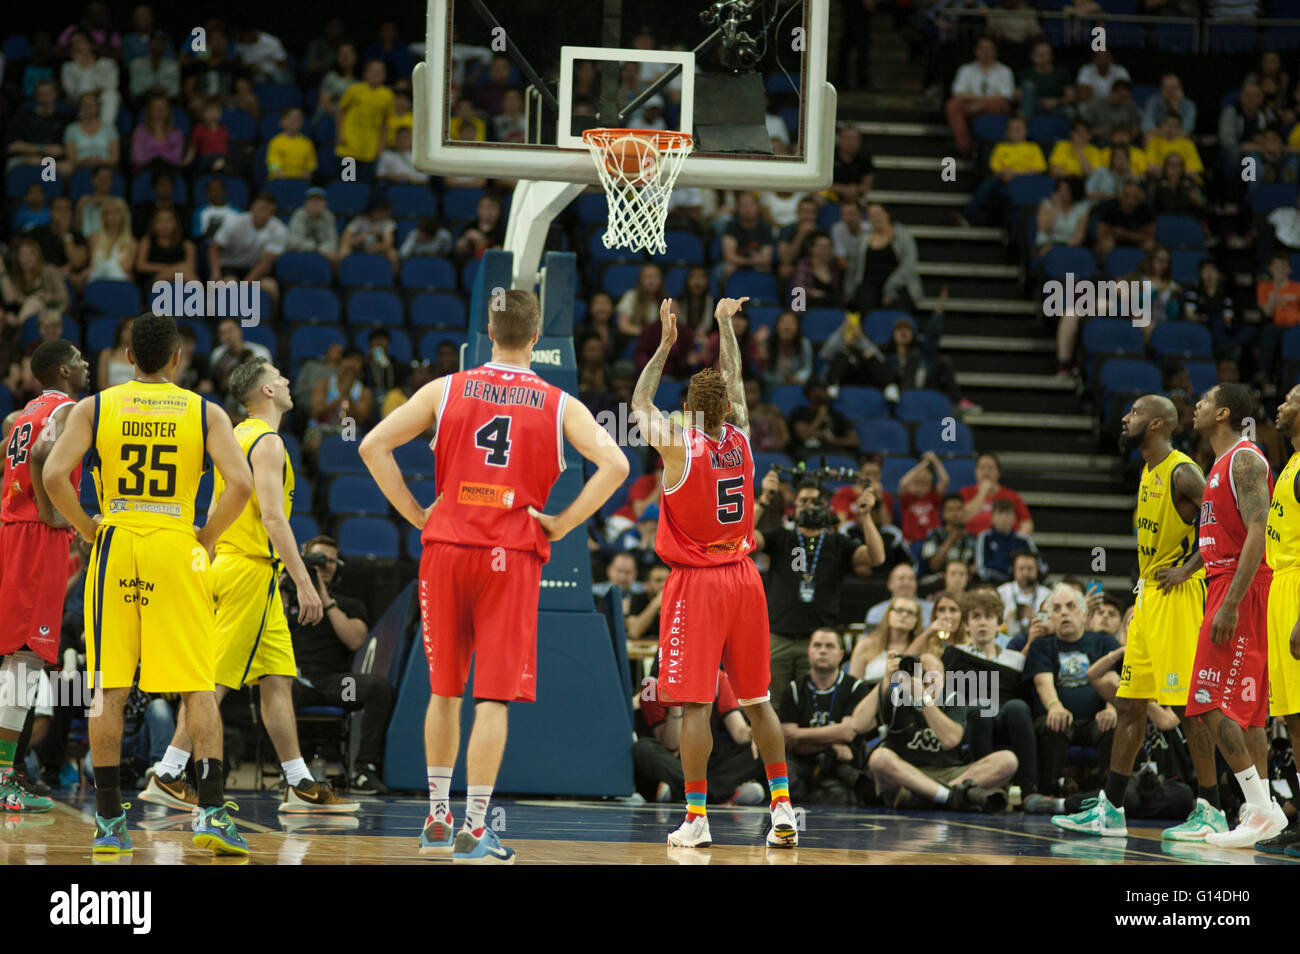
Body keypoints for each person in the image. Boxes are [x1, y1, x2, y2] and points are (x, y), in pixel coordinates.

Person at [359, 290, 627, 863]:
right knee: (494, 700)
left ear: (486, 331)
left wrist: (416, 513)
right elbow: (618, 465)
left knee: (444, 690)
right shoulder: (559, 403)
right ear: (536, 339)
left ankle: (436, 817)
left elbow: (371, 444)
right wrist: (560, 524)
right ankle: (476, 829)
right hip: (510, 554)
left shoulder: (446, 387)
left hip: (446, 549)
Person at [42, 313, 255, 856]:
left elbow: (51, 476)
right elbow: (242, 484)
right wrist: (206, 536)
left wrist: (89, 529)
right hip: (175, 542)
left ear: (129, 358)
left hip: (117, 541)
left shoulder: (96, 406)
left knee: (109, 687)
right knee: (197, 685)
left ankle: (111, 822)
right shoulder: (205, 411)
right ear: (178, 357)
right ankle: (209, 811)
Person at [630, 295, 801, 849]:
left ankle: (697, 817)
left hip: (698, 583)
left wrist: (663, 345)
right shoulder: (743, 440)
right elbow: (734, 376)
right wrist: (726, 325)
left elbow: (637, 403)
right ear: (727, 409)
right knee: (757, 701)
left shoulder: (679, 446)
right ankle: (783, 810)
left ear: (687, 409)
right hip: (745, 577)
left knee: (697, 704)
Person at [151, 359, 357, 812]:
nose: (287, 381)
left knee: (277, 678)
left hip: (237, 566)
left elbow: (215, 511)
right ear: (266, 392)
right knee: (216, 680)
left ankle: (298, 783)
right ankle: (168, 770)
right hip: (247, 570)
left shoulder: (235, 436)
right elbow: (272, 517)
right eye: (279, 377)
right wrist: (304, 581)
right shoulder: (267, 442)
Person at [1051, 394, 1221, 838]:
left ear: (1158, 423)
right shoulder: (1146, 470)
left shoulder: (1183, 471)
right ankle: (1110, 809)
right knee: (1129, 705)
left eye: (1135, 413)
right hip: (1148, 597)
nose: (1125, 418)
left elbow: (1227, 522)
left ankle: (1212, 809)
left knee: (1190, 708)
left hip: (1178, 596)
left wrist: (1188, 568)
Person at [1181, 384, 1288, 846]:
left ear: (1223, 412)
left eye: (1204, 401)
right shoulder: (1218, 465)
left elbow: (1258, 534)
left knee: (1206, 703)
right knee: (1249, 715)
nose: (1197, 406)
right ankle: (1261, 808)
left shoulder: (1245, 459)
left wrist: (1228, 603)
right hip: (1226, 583)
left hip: (1238, 589)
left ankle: (1261, 809)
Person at [0, 340, 89, 811]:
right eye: (79, 360)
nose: (86, 364)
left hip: (12, 531)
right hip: (36, 537)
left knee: (12, 661)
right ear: (63, 369)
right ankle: (2, 780)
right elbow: (39, 457)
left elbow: (9, 455)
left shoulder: (21, 412)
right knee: (25, 664)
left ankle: (5, 774)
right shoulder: (70, 409)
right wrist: (54, 513)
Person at [753, 469, 885, 694]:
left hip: (817, 642)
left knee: (811, 704)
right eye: (803, 500)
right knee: (770, 706)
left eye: (815, 501)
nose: (809, 505)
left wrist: (864, 517)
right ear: (794, 505)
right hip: (777, 638)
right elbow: (742, 536)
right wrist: (764, 499)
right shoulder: (782, 537)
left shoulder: (838, 543)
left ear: (825, 507)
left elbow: (876, 557)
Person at [286, 535, 394, 794]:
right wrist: (292, 581)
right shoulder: (286, 597)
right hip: (294, 678)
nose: (325, 566)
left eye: (332, 561)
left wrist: (325, 598)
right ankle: (291, 772)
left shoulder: (349, 604)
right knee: (275, 691)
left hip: (334, 682)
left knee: (378, 688)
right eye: (319, 559)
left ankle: (363, 769)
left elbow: (356, 640)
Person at [865, 650, 1018, 811]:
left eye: (932, 675)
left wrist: (923, 699)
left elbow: (950, 740)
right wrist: (886, 679)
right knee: (879, 758)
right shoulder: (897, 695)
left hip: (950, 773)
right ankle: (949, 797)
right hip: (908, 773)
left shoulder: (954, 699)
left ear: (943, 679)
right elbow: (858, 724)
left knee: (1007, 760)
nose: (926, 679)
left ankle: (931, 797)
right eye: (921, 673)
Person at [945, 589, 1052, 810]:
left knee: (1017, 707)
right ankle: (983, 786)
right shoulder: (954, 654)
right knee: (980, 707)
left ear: (998, 624)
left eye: (989, 617)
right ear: (966, 625)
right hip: (970, 722)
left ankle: (1029, 790)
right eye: (976, 617)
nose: (982, 623)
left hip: (1007, 719)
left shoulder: (1015, 659)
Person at [1025, 584, 1120, 802]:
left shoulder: (1105, 642)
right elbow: (1042, 682)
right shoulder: (1042, 645)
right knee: (1052, 724)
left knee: (1115, 725)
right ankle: (1051, 794)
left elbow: (1117, 680)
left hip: (1097, 720)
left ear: (1084, 613)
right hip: (1060, 718)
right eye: (1056, 609)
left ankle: (1110, 795)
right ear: (1051, 617)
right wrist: (1054, 705)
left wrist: (1111, 707)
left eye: (1070, 606)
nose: (1064, 612)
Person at [1257, 385, 1300, 852]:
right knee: (1293, 716)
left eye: (1290, 401)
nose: (1280, 407)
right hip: (1282, 588)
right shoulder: (1288, 463)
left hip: (1298, 590)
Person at [635, 667, 765, 806]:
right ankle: (719, 794)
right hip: (677, 764)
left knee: (765, 746)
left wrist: (756, 735)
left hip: (710, 764)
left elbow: (739, 731)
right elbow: (672, 745)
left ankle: (686, 792)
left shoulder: (718, 678)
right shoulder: (651, 686)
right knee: (643, 748)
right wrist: (675, 703)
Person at [779, 629, 875, 805]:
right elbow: (788, 736)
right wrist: (831, 743)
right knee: (784, 773)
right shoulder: (793, 690)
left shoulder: (855, 687)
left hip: (842, 764)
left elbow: (847, 732)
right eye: (817, 645)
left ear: (841, 654)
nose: (823, 650)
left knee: (847, 791)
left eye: (830, 646)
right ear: (809, 651)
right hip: (802, 764)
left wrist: (801, 735)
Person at [208, 192, 286, 305]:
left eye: (269, 210)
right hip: (230, 265)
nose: (265, 213)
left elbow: (266, 263)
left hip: (255, 268)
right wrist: (215, 272)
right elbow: (214, 247)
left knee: (271, 287)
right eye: (262, 208)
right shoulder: (235, 222)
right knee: (230, 285)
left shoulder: (279, 229)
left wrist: (245, 285)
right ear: (253, 207)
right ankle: (226, 319)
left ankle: (270, 321)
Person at [945, 36, 1014, 158]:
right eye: (982, 49)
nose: (986, 52)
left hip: (993, 107)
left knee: (1000, 103)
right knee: (953, 105)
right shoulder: (966, 69)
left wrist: (982, 104)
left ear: (995, 51)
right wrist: (980, 102)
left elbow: (1006, 94)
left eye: (990, 49)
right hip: (971, 107)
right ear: (976, 51)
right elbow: (958, 92)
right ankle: (964, 147)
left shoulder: (1005, 71)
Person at [960, 451, 1033, 534]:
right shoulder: (965, 492)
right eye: (982, 467)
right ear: (975, 472)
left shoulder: (1011, 495)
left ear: (998, 473)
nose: (986, 471)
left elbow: (1027, 523)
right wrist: (982, 493)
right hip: (973, 542)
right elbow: (962, 518)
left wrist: (1014, 541)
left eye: (990, 468)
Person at [865, 564, 935, 628]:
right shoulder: (875, 613)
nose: (906, 583)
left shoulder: (932, 609)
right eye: (901, 578)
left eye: (911, 579)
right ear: (890, 584)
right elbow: (870, 640)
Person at [266, 107, 317, 181]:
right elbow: (273, 165)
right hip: (279, 181)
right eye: (289, 118)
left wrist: (309, 172)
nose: (293, 121)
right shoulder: (275, 142)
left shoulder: (307, 143)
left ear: (301, 122)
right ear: (282, 121)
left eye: (297, 119)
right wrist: (282, 176)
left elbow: (311, 165)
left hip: (301, 181)